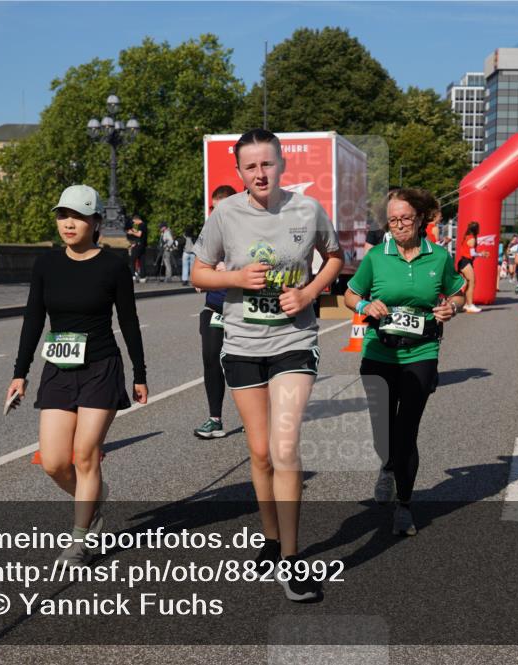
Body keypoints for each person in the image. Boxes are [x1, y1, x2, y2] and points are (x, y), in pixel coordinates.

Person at [191, 129, 344, 602]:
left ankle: (293, 560)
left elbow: (335, 257)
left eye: (267, 164)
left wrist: (308, 293)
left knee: (284, 447)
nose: (260, 173)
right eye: (250, 166)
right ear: (239, 172)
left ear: (281, 165)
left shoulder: (306, 210)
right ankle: (272, 538)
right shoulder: (225, 214)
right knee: (259, 453)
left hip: (294, 340)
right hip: (241, 344)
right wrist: (234, 276)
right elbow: (197, 272)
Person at [7, 184, 148, 566]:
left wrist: (140, 373)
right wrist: (20, 373)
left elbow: (129, 322)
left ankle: (81, 538)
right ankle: (94, 499)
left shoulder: (112, 265)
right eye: (62, 215)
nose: (68, 223)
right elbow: (33, 319)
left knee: (86, 455)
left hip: (101, 367)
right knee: (54, 461)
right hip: (58, 368)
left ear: (96, 222)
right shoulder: (47, 265)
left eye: (78, 216)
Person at [343, 187, 465, 537]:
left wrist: (451, 307)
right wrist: (365, 307)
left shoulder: (438, 257)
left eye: (405, 218)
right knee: (384, 432)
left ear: (420, 220)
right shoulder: (377, 257)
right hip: (379, 352)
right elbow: (351, 294)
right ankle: (388, 466)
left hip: (421, 351)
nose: (398, 225)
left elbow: (458, 290)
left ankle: (405, 505)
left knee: (406, 429)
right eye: (392, 219)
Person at [193, 184, 237, 439]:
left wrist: (229, 272)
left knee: (242, 364)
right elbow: (198, 272)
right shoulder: (208, 235)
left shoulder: (246, 233)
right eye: (213, 208)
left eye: (221, 209)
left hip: (241, 309)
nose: (216, 214)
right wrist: (203, 278)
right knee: (211, 358)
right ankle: (215, 419)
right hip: (214, 307)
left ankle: (259, 414)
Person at [455, 221, 483, 313]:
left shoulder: (467, 236)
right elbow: (472, 253)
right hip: (466, 262)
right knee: (472, 283)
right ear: (476, 229)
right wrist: (482, 254)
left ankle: (467, 304)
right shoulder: (472, 238)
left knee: (468, 283)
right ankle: (469, 304)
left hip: (464, 262)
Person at [125, 214, 148, 283]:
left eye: (134, 221)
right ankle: (143, 277)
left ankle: (133, 276)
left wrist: (131, 232)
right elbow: (136, 231)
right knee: (141, 261)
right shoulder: (142, 225)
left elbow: (139, 234)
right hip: (143, 245)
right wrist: (131, 231)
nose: (134, 223)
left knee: (132, 259)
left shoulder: (141, 225)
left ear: (137, 220)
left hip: (138, 244)